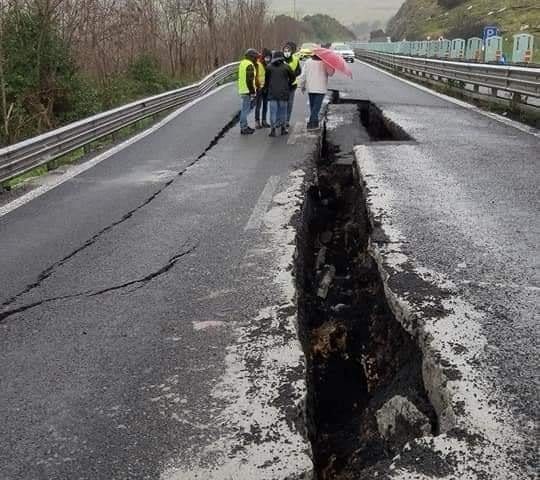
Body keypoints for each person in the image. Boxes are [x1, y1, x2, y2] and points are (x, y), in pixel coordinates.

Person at [299, 55, 334, 130]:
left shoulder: (308, 62)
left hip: (311, 88)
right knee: (316, 108)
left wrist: (302, 85)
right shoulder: (325, 62)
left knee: (313, 107)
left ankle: (315, 122)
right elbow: (331, 73)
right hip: (321, 89)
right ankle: (311, 124)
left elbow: (303, 75)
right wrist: (331, 64)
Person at [266, 51, 295, 137]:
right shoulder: (287, 67)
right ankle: (283, 129)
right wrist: (287, 85)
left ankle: (273, 130)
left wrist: (267, 88)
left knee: (273, 112)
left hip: (272, 94)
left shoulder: (269, 67)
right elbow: (293, 78)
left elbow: (267, 80)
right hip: (284, 93)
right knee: (283, 112)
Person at [237, 48, 259, 135]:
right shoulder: (249, 65)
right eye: (255, 57)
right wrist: (253, 91)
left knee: (244, 109)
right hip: (247, 90)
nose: (256, 59)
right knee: (245, 110)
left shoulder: (243, 63)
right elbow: (249, 80)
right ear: (252, 57)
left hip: (243, 89)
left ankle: (245, 126)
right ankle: (244, 128)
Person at [283, 42, 302, 127]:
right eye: (285, 51)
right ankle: (282, 119)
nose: (286, 52)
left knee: (289, 104)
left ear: (291, 51)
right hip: (282, 85)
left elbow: (299, 71)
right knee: (283, 103)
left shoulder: (295, 59)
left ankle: (287, 120)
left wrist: (292, 74)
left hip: (292, 85)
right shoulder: (280, 59)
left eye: (288, 51)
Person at [255, 49, 272, 129]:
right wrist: (257, 86)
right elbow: (255, 76)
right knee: (258, 105)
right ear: (263, 57)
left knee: (265, 105)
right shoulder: (258, 64)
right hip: (259, 88)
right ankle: (257, 122)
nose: (268, 59)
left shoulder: (269, 65)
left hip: (266, 88)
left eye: (269, 57)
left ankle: (264, 121)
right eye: (266, 57)